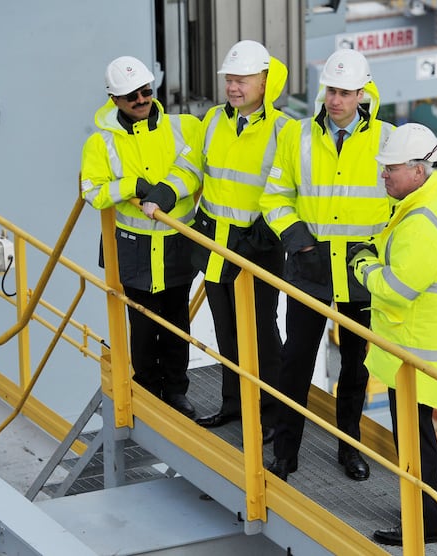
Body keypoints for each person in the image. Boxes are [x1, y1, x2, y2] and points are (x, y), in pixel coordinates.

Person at [259, 48, 394, 481]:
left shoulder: (388, 140)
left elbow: (401, 207)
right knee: (295, 361)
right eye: (330, 90)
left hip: (360, 274)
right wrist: (299, 243)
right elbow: (274, 197)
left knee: (355, 368)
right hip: (309, 267)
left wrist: (375, 254)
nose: (335, 100)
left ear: (362, 92)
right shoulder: (296, 136)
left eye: (344, 92)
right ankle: (285, 451)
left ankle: (349, 448)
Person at [348, 123, 437, 546]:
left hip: (415, 358)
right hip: (411, 352)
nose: (384, 175)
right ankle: (426, 514)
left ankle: (424, 525)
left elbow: (397, 291)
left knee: (416, 446)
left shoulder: (424, 224)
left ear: (418, 171)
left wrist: (361, 266)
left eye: (390, 168)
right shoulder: (425, 203)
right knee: (417, 441)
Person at [80, 56, 201, 418]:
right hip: (133, 247)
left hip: (177, 243)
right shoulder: (100, 144)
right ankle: (148, 394)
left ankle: (177, 393)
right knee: (144, 325)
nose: (141, 99)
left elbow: (194, 170)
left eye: (145, 91)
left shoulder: (183, 127)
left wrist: (166, 190)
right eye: (131, 95)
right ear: (114, 99)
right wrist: (130, 185)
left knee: (177, 321)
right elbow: (92, 191)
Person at [187, 40, 289, 444]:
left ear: (264, 82)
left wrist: (263, 233)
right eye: (230, 79)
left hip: (258, 248)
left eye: (242, 80)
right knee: (226, 331)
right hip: (216, 246)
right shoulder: (213, 120)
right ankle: (234, 405)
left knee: (262, 333)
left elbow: (288, 188)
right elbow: (194, 170)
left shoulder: (284, 131)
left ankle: (271, 414)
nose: (233, 87)